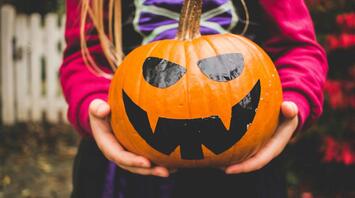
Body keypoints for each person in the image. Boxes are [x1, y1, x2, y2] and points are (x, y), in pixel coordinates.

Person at [60, 0, 328, 197]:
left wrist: (294, 100)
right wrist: (93, 106)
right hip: (124, 169)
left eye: (224, 70)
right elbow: (85, 57)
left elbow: (298, 48)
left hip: (246, 167)